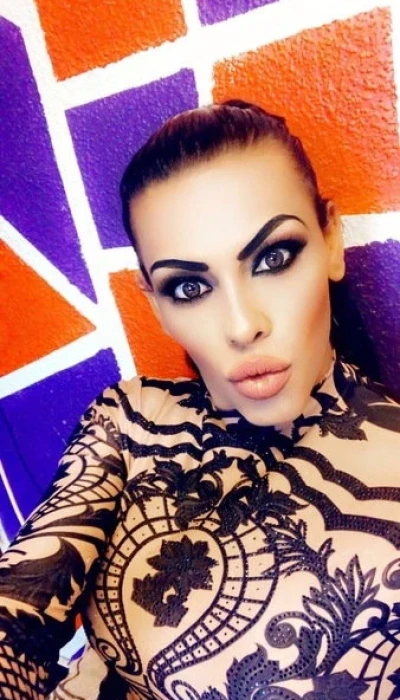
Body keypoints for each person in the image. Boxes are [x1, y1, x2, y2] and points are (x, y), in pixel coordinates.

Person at [0, 100, 399, 700]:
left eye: (273, 258)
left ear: (331, 240)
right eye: (189, 286)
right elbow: (16, 610)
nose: (241, 326)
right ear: (155, 304)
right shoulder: (132, 419)